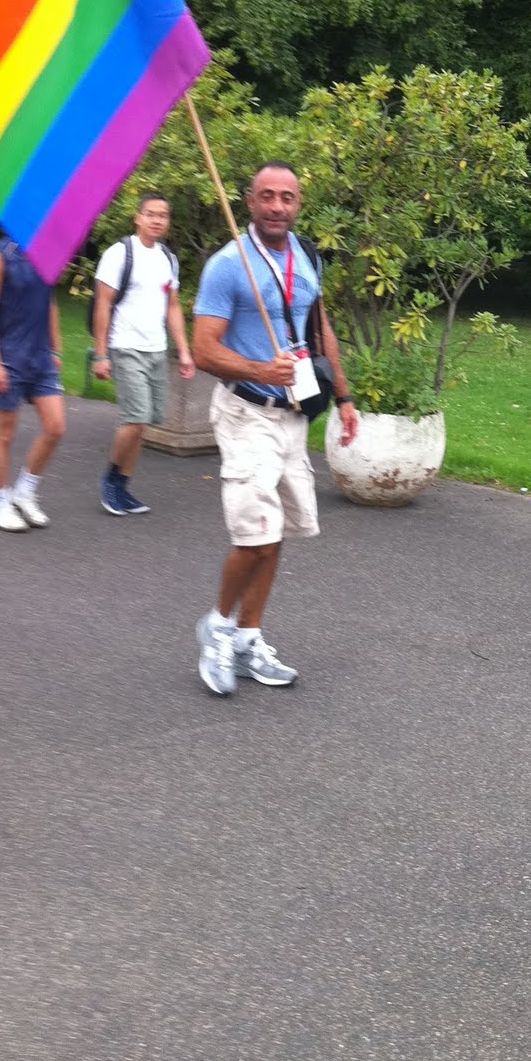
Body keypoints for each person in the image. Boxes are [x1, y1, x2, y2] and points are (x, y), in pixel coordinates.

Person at [191, 161, 359, 697]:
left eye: (287, 197)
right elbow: (203, 349)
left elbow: (319, 328)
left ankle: (248, 638)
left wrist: (345, 397)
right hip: (247, 414)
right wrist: (261, 371)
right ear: (250, 202)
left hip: (292, 415)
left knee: (276, 532)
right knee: (256, 535)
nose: (277, 206)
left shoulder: (306, 256)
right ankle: (218, 627)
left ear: (298, 203)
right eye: (267, 196)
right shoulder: (228, 265)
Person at [91, 193, 195, 515]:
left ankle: (123, 487)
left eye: (162, 215)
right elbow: (103, 303)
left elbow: (173, 307)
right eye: (150, 214)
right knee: (135, 417)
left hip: (156, 350)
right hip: (125, 346)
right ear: (137, 217)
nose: (156, 220)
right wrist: (101, 354)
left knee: (146, 421)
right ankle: (110, 481)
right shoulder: (120, 253)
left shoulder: (168, 259)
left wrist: (184, 351)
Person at [0, 236, 66, 532]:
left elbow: (49, 303)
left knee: (55, 427)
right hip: (9, 357)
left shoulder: (48, 253)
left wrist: (56, 349)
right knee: (5, 434)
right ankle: (0, 503)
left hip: (41, 358)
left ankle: (24, 492)